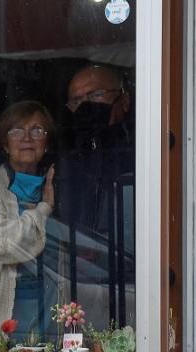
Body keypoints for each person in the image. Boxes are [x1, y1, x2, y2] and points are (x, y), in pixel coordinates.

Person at [52, 64, 135, 327]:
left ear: (124, 99)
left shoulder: (144, 152)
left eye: (96, 94)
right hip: (79, 280)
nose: (87, 106)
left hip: (137, 280)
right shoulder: (67, 163)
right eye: (77, 100)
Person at [0, 100, 56, 335]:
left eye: (37, 130)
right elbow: (6, 243)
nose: (27, 138)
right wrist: (44, 209)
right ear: (5, 144)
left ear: (46, 144)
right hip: (6, 302)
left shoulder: (57, 185)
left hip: (48, 299)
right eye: (16, 130)